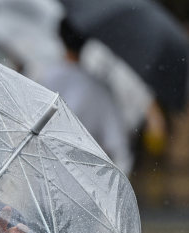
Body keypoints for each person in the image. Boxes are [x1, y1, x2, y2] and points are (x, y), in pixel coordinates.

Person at [39, 19, 133, 175]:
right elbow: (118, 147)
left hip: (44, 174)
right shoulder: (99, 89)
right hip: (84, 179)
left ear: (59, 36)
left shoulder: (41, 80)